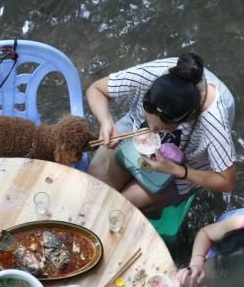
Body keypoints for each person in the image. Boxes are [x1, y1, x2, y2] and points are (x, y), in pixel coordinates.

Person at [86, 53, 236, 211]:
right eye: (149, 121)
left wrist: (176, 170)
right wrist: (106, 121)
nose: (151, 131)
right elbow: (96, 89)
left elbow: (227, 182)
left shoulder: (214, 122)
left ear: (188, 117)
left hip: (186, 164)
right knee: (93, 190)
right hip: (133, 128)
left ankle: (152, 207)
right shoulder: (151, 75)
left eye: (161, 129)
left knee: (120, 208)